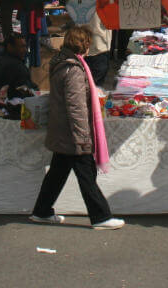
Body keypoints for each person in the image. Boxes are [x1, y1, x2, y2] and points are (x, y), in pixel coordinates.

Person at [31, 26, 125, 230]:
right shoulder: (72, 69)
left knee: (57, 173)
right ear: (83, 44)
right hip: (72, 133)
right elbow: (76, 106)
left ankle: (42, 211)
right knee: (86, 175)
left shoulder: (65, 64)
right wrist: (82, 135)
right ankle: (101, 216)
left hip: (64, 131)